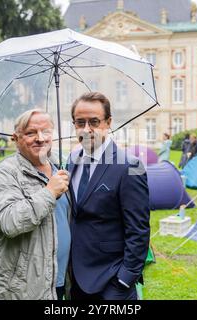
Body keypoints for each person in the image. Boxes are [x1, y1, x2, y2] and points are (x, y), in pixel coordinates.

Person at [67, 92, 150, 300]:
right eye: (80, 122)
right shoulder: (71, 160)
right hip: (76, 277)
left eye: (94, 122)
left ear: (109, 122)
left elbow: (138, 228)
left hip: (111, 281)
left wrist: (125, 277)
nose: (87, 129)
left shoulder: (131, 166)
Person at [0, 109, 71, 300]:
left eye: (46, 131)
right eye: (31, 133)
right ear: (16, 138)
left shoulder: (62, 168)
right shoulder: (4, 175)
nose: (40, 138)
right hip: (22, 289)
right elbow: (10, 222)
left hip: (60, 282)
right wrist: (49, 192)